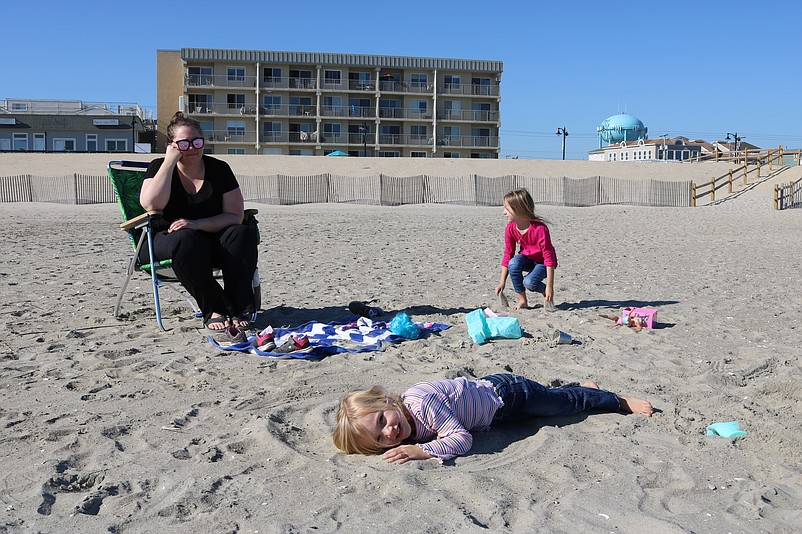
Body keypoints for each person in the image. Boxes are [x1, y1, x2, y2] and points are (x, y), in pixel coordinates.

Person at [332, 373, 653, 464]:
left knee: (564, 406)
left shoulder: (420, 404)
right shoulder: (405, 427)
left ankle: (618, 401)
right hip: (494, 414)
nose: (389, 432)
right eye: (379, 440)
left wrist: (424, 451)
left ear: (387, 401)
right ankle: (581, 388)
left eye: (382, 422)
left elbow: (461, 439)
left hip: (508, 395)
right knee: (556, 400)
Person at [139, 111, 258, 331]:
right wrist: (168, 163)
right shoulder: (158, 167)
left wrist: (196, 223)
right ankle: (214, 308)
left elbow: (234, 216)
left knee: (241, 234)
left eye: (197, 141)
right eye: (183, 144)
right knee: (185, 238)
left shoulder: (219, 169)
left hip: (209, 239)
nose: (192, 148)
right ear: (171, 145)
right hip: (168, 241)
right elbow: (151, 205)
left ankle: (239, 307)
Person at [495, 188, 558, 310]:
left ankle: (544, 291)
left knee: (529, 283)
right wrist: (502, 282)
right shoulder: (510, 228)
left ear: (519, 209)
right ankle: (522, 300)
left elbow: (549, 258)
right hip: (528, 259)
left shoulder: (540, 229)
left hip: (543, 263)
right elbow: (508, 254)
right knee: (513, 263)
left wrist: (550, 287)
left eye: (507, 209)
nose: (503, 212)